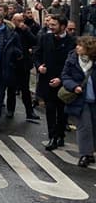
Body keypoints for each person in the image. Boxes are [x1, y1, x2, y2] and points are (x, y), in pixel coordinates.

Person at [34, 14, 77, 151]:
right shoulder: (45, 38)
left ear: (63, 26)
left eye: (54, 25)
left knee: (63, 111)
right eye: (50, 24)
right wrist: (39, 66)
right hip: (47, 80)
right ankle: (53, 136)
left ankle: (60, 135)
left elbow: (73, 65)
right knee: (50, 109)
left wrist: (61, 79)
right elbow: (37, 54)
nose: (50, 27)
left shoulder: (72, 42)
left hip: (64, 82)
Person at [61, 35, 96, 167]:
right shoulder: (72, 60)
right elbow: (65, 76)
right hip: (81, 99)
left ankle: (90, 152)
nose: (77, 47)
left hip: (94, 98)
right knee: (84, 126)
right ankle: (84, 155)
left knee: (93, 126)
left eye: (81, 45)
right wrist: (74, 86)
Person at [7, 13, 38, 120]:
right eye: (18, 20)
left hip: (24, 64)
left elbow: (34, 41)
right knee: (11, 88)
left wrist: (26, 31)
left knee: (25, 89)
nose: (21, 23)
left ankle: (29, 112)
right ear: (13, 20)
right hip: (12, 64)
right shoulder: (10, 31)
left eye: (22, 20)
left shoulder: (25, 31)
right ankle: (10, 110)